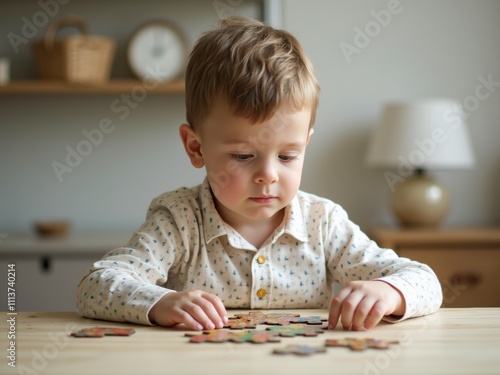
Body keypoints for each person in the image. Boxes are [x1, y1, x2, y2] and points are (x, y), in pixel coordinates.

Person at [77, 16, 442, 331]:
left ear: (306, 144)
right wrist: (159, 304)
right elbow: (96, 285)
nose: (268, 175)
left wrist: (389, 292)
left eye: (287, 156)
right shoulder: (178, 220)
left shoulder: (323, 223)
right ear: (195, 147)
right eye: (244, 155)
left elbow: (426, 282)